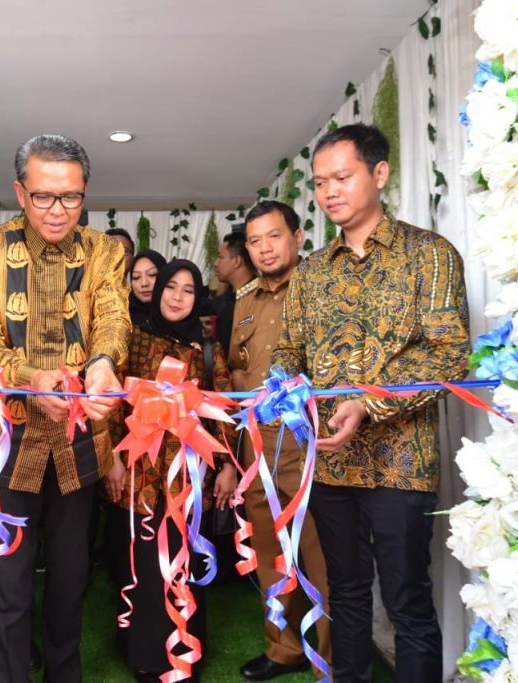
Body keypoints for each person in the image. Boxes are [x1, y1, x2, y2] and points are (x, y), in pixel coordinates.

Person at [272, 124, 470, 682]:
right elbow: (289, 350)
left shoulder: (429, 256)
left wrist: (367, 404)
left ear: (379, 173)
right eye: (320, 183)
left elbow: (450, 353)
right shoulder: (310, 272)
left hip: (400, 463)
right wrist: (283, 389)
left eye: (342, 177)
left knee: (407, 600)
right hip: (330, 463)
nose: (329, 191)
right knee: (347, 592)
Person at [0, 133, 130, 682]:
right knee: (7, 582)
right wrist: (34, 380)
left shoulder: (105, 251)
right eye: (43, 197)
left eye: (71, 197)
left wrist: (103, 363)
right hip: (9, 442)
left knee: (70, 577)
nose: (58, 210)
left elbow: (112, 319)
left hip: (80, 444)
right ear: (20, 192)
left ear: (85, 192)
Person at [105, 259, 237, 681]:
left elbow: (223, 410)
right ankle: (147, 655)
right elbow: (113, 406)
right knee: (145, 564)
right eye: (171, 288)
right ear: (158, 290)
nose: (177, 297)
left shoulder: (207, 349)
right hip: (140, 475)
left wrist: (228, 467)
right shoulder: (133, 340)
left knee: (184, 562)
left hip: (188, 477)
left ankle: (185, 653)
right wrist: (111, 460)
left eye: (188, 290)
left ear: (198, 298)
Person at [228, 200, 331, 680]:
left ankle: (331, 660)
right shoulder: (244, 299)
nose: (265, 248)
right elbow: (237, 369)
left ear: (297, 236)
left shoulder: (322, 287)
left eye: (274, 236)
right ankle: (283, 648)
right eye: (255, 240)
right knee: (271, 554)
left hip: (311, 446)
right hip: (259, 449)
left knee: (323, 559)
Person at [212, 230, 255, 355]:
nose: (215, 263)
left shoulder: (257, 299)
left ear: (236, 261)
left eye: (220, 257)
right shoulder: (229, 297)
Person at [127, 249, 166, 329]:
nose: (144, 283)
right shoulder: (121, 319)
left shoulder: (181, 315)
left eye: (152, 275)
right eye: (136, 277)